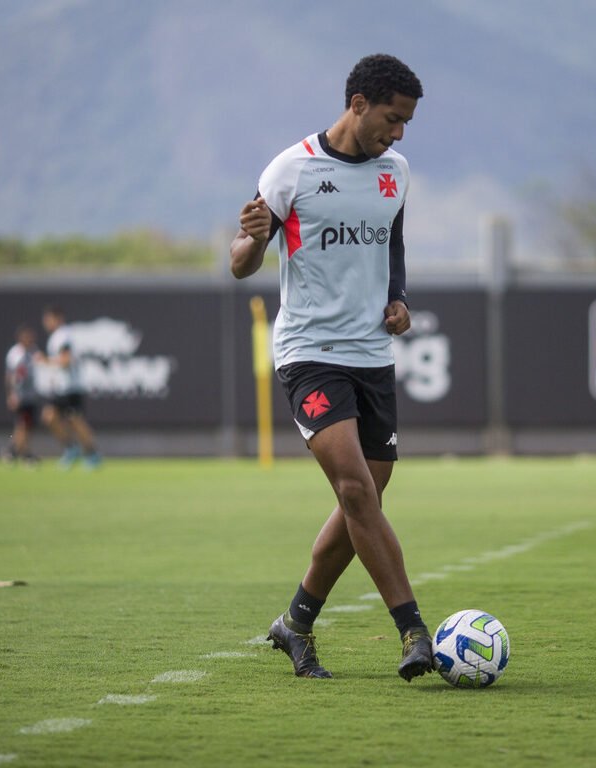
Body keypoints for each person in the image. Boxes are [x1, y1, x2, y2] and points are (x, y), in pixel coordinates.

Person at [229, 54, 433, 682]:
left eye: (405, 124)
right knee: (353, 491)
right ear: (359, 104)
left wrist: (398, 300)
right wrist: (255, 237)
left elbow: (390, 244)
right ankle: (414, 631)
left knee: (364, 500)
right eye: (392, 120)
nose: (398, 135)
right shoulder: (291, 169)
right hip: (310, 355)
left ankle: (294, 625)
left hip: (372, 356)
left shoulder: (394, 173)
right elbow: (240, 263)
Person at [38, 305, 102, 470]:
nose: (46, 323)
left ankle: (92, 453)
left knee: (76, 421)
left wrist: (46, 361)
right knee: (49, 416)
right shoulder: (56, 337)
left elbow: (66, 360)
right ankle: (71, 449)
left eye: (49, 319)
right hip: (61, 388)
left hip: (71, 387)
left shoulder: (63, 336)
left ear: (58, 319)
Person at [2, 324, 41, 466]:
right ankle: (24, 453)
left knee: (27, 425)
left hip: (31, 396)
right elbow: (10, 376)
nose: (30, 340)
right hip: (20, 396)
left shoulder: (34, 352)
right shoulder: (15, 354)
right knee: (22, 424)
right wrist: (11, 394)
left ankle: (13, 449)